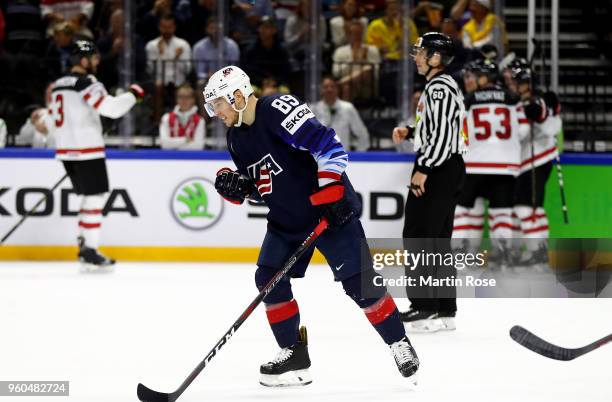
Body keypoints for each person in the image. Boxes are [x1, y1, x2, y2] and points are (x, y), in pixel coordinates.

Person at [204, 65, 419, 387]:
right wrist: (244, 189)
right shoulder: (235, 137)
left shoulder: (277, 108)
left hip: (328, 213)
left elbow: (328, 145)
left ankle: (398, 342)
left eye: (217, 103)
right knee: (268, 279)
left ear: (237, 96)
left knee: (360, 284)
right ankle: (293, 353)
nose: (215, 112)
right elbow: (268, 185)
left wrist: (331, 192)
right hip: (287, 221)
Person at [392, 32, 466, 332]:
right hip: (445, 167)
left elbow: (444, 137)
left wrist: (423, 167)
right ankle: (444, 309)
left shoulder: (438, 89)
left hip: (436, 168)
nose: (416, 56)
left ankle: (425, 307)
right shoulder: (441, 86)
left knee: (419, 237)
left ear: (436, 57)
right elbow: (439, 128)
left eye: (421, 52)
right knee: (436, 239)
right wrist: (411, 131)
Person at [48, 40, 144, 271]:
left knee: (90, 197)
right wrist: (133, 94)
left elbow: (64, 116)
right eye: (94, 58)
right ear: (83, 60)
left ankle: (84, 244)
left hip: (66, 151)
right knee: (95, 197)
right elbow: (111, 108)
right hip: (86, 150)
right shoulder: (86, 81)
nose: (97, 62)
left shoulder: (58, 85)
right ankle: (89, 249)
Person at [451, 59, 527, 264]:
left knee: (462, 210)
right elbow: (523, 131)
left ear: (484, 77)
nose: (467, 80)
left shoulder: (467, 99)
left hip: (474, 165)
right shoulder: (512, 98)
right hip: (506, 166)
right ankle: (502, 256)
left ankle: (458, 254)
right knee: (501, 213)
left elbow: (458, 133)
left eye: (471, 76)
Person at [508, 58, 562, 265]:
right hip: (528, 161)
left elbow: (549, 124)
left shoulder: (536, 101)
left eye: (518, 81)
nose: (513, 85)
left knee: (524, 207)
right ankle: (540, 250)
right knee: (534, 208)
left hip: (536, 160)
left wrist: (539, 113)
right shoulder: (519, 101)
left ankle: (535, 253)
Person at [145, 13, 192, 121]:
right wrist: (160, 54)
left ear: (174, 27)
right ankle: (157, 122)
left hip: (179, 80)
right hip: (159, 80)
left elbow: (187, 69)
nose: (166, 30)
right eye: (163, 27)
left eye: (169, 27)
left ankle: (180, 121)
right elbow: (150, 69)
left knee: (182, 91)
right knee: (157, 87)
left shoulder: (183, 45)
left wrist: (177, 58)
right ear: (159, 27)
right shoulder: (152, 45)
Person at [311, 77, 370, 151]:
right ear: (321, 90)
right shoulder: (313, 109)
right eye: (326, 87)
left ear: (337, 89)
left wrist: (359, 155)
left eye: (332, 86)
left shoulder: (347, 108)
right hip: (319, 157)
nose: (329, 90)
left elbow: (362, 133)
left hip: (342, 157)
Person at [332, 19, 381, 101]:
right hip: (348, 87)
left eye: (359, 33)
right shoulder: (340, 51)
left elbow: (376, 72)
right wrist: (353, 61)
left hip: (367, 86)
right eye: (353, 33)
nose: (356, 36)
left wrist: (363, 61)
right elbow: (336, 72)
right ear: (348, 35)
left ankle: (338, 85)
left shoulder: (372, 49)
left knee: (367, 69)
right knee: (347, 87)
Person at [159, 84, 205, 150]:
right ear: (176, 99)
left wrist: (173, 145)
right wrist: (185, 140)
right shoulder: (166, 118)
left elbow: (198, 146)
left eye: (187, 97)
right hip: (169, 159)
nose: (184, 100)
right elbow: (164, 144)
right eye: (181, 97)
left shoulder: (200, 120)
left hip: (192, 159)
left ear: (193, 100)